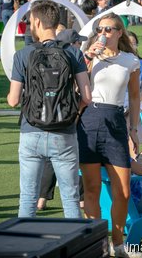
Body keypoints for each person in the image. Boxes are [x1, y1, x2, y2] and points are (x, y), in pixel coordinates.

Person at [7, 0, 92, 219]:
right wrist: (73, 115)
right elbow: (87, 97)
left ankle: (27, 248)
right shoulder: (73, 54)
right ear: (56, 23)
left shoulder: (23, 55)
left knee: (28, 197)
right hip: (64, 131)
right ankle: (75, 248)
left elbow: (13, 100)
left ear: (36, 21)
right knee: (71, 198)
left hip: (31, 130)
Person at [79, 13, 142, 258]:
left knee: (123, 191)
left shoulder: (130, 61)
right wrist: (87, 57)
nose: (103, 33)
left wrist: (133, 128)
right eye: (99, 29)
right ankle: (99, 245)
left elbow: (135, 97)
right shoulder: (88, 56)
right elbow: (76, 87)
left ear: (119, 32)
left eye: (108, 29)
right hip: (89, 119)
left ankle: (118, 244)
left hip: (116, 120)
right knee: (92, 189)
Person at [36, 28, 88, 212]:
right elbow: (85, 93)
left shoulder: (44, 56)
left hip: (46, 113)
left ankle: (42, 198)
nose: (80, 45)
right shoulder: (74, 56)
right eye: (78, 42)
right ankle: (80, 199)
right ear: (71, 43)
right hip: (69, 113)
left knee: (51, 158)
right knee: (73, 156)